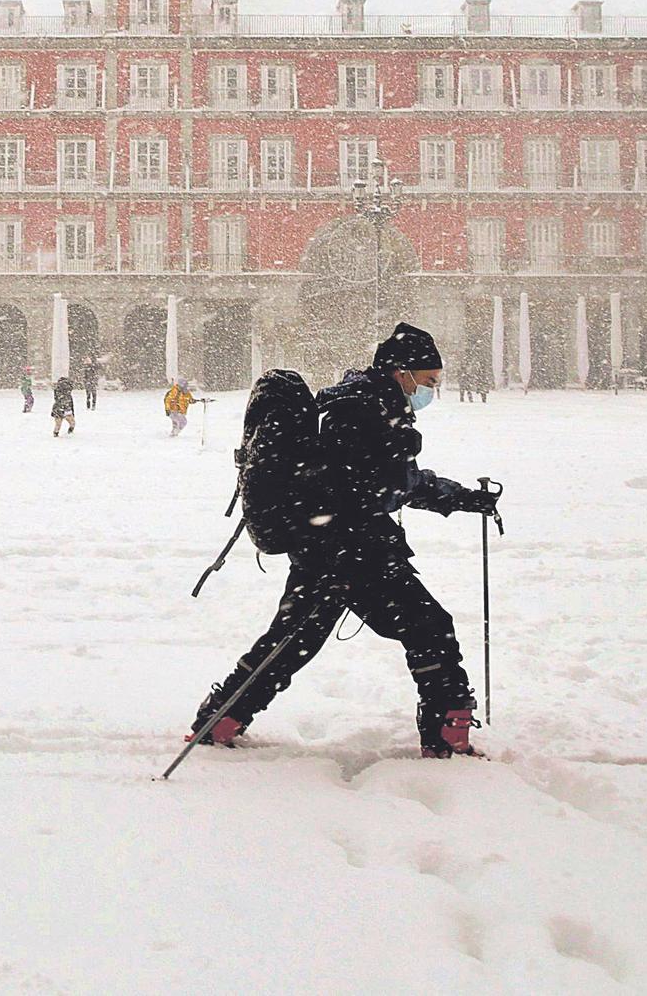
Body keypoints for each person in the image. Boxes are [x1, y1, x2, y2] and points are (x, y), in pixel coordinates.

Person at [187, 322, 499, 759]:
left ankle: (222, 718)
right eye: (428, 381)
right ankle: (449, 733)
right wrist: (433, 485)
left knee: (293, 640)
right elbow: (382, 488)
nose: (431, 391)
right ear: (401, 371)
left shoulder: (366, 402)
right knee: (429, 628)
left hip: (329, 544)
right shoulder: (364, 409)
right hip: (352, 550)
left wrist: (458, 496)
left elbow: (389, 482)